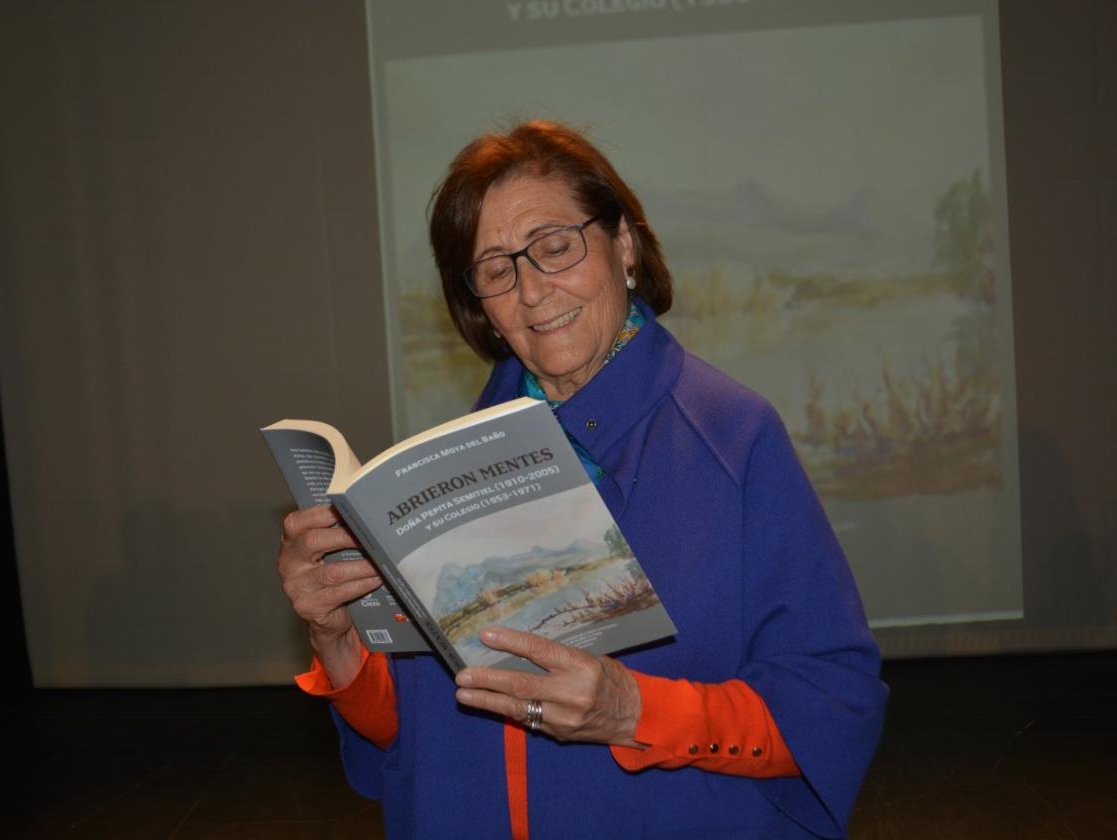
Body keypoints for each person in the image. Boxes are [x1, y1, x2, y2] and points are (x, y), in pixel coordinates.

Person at [278, 120, 887, 838]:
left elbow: (831, 699)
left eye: (555, 246)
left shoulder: (733, 437)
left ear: (623, 244)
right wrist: (338, 638)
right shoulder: (443, 473)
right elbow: (409, 733)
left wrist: (634, 711)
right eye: (497, 268)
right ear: (481, 305)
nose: (533, 292)